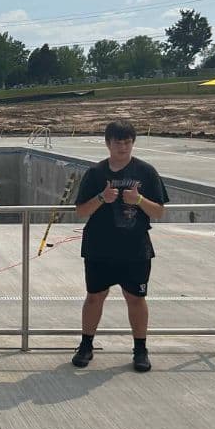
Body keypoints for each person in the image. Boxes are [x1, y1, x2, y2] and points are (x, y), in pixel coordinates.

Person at [71, 120, 168, 373]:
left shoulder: (146, 172)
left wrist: (139, 200)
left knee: (136, 298)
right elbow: (81, 211)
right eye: (117, 142)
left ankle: (140, 349)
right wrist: (102, 198)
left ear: (133, 143)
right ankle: (86, 345)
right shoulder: (95, 173)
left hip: (135, 248)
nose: (122, 147)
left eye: (127, 142)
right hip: (99, 247)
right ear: (108, 143)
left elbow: (159, 212)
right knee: (94, 296)